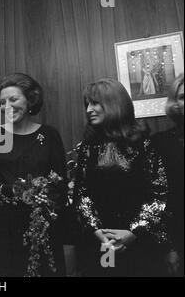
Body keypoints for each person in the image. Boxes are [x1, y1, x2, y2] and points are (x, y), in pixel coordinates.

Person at [72, 78, 169, 276]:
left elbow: (159, 193)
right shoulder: (88, 147)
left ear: (114, 103)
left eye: (95, 103)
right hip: (100, 242)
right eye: (87, 104)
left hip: (141, 242)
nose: (89, 109)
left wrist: (134, 232)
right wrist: (99, 232)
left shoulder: (144, 144)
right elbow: (81, 194)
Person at [0, 73, 67, 277]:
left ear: (30, 99)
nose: (7, 106)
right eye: (2, 102)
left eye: (13, 99)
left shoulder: (49, 135)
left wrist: (47, 194)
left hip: (41, 228)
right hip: (2, 230)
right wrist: (10, 190)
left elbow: (61, 184)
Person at [152, 74, 184, 276]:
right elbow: (158, 198)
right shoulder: (160, 142)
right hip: (178, 234)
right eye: (182, 97)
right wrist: (167, 246)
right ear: (175, 103)